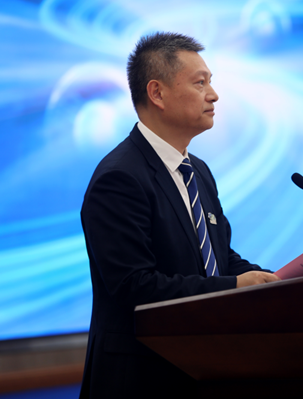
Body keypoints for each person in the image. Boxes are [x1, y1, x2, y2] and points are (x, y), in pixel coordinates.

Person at [78, 32, 282, 398]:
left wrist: (283, 281)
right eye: (200, 83)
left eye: (210, 82)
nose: (213, 95)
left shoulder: (197, 171)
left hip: (202, 365)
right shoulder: (119, 178)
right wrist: (235, 287)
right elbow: (134, 286)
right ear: (157, 93)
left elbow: (220, 259)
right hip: (143, 377)